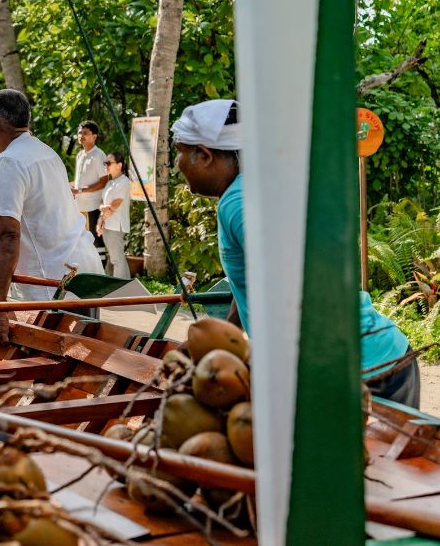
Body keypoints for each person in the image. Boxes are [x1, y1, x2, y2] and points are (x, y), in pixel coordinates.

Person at [174, 99, 420, 408]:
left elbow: (289, 283)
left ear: (205, 155)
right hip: (383, 354)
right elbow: (254, 280)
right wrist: (220, 345)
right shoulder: (258, 189)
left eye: (180, 152)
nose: (177, 164)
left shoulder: (238, 202)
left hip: (356, 373)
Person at [0, 89, 102, 343]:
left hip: (54, 282)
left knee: (52, 358)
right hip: (84, 274)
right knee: (80, 353)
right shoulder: (45, 152)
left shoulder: (9, 161)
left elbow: (6, 235)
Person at [71, 121, 108, 254]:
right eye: (80, 133)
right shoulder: (80, 155)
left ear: (94, 136)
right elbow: (80, 181)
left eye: (86, 133)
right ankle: (87, 265)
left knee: (96, 240)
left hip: (94, 206)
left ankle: (101, 266)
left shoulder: (99, 155)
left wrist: (80, 190)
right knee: (82, 241)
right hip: (79, 206)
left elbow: (104, 181)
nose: (81, 136)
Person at [97, 151, 131, 278]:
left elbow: (115, 204)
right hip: (108, 224)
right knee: (116, 258)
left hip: (116, 226)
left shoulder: (124, 181)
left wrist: (104, 211)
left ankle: (120, 287)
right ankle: (126, 285)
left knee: (117, 259)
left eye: (109, 163)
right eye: (105, 163)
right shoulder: (110, 182)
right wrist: (101, 218)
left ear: (119, 165)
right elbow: (103, 203)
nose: (106, 165)